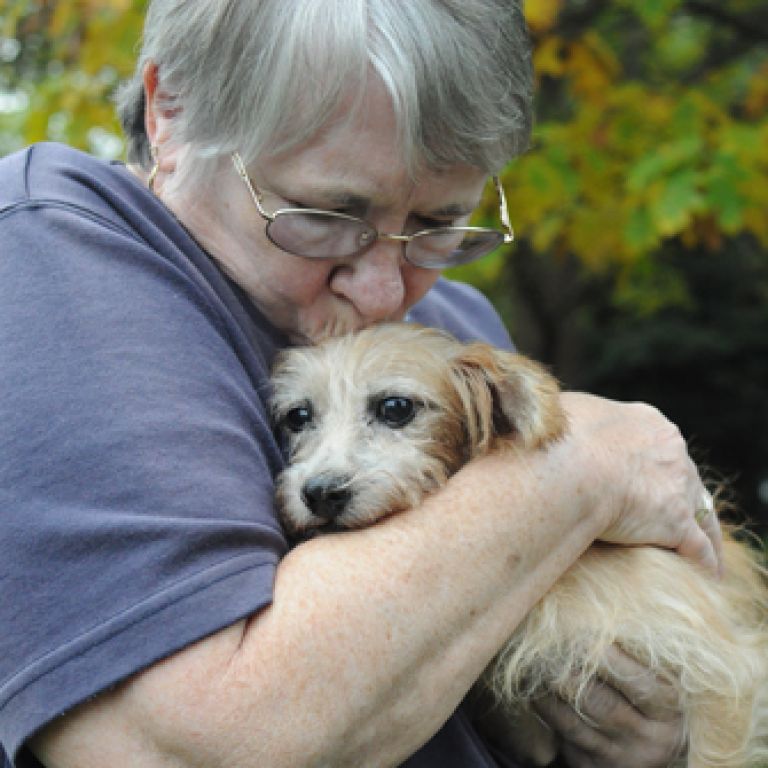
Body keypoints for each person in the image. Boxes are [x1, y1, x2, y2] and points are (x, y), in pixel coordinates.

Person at [0, 2, 722, 767]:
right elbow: (189, 747)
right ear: (169, 114)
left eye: (440, 225)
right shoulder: (49, 264)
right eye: (324, 214)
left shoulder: (451, 316)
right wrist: (577, 471)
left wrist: (653, 741)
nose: (384, 293)